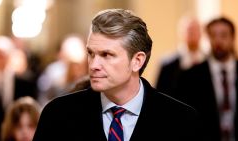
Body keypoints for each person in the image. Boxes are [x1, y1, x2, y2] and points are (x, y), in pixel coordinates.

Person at [33, 9, 200, 141]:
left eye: (106, 55)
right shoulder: (58, 115)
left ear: (137, 61)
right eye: (91, 53)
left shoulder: (181, 120)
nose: (94, 65)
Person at [177, 17, 238, 141]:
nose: (218, 40)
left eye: (224, 35)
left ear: (233, 38)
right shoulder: (191, 76)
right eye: (213, 35)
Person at [156, 16, 207, 96]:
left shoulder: (209, 60)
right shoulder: (168, 63)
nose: (193, 34)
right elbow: (160, 93)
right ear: (181, 33)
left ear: (201, 33)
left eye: (196, 30)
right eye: (189, 30)